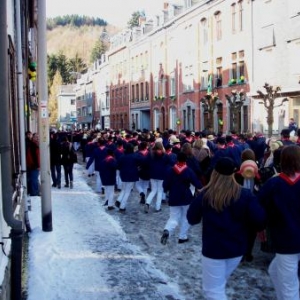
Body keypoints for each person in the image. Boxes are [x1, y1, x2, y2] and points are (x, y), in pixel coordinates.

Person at [187, 157, 266, 299]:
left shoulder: (206, 194)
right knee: (218, 284)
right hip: (236, 248)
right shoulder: (245, 194)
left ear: (214, 174)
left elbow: (192, 218)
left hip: (214, 249)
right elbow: (259, 220)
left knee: (213, 291)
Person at [258, 145, 300, 300]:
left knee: (289, 285)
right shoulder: (275, 183)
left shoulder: (274, 184)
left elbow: (259, 207)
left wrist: (259, 227)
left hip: (286, 239)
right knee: (275, 271)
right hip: (288, 239)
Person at [161, 152, 202, 245]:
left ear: (177, 159)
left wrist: (166, 190)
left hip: (174, 196)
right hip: (186, 197)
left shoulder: (170, 170)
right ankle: (182, 236)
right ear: (185, 160)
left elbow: (165, 184)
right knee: (186, 217)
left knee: (173, 217)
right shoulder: (188, 170)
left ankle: (167, 230)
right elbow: (197, 183)